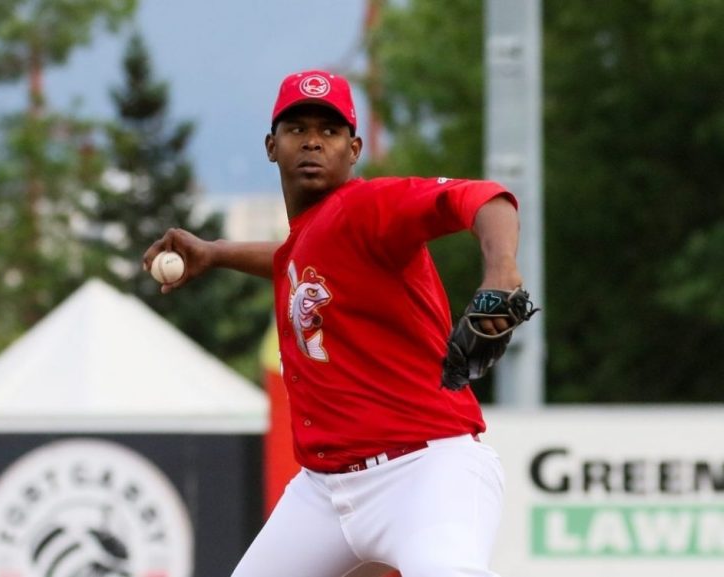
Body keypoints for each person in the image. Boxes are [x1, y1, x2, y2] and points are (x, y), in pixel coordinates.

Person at [144, 70, 524, 577]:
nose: (313, 142)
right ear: (271, 145)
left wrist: (501, 277)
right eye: (297, 129)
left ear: (354, 148)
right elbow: (291, 260)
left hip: (426, 473)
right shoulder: (310, 237)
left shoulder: (368, 208)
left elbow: (484, 198)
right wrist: (214, 253)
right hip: (324, 491)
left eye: (330, 131)